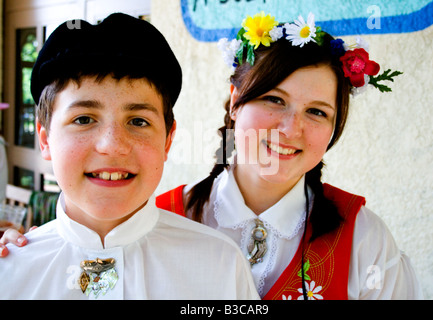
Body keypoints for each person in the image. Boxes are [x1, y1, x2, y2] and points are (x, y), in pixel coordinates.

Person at [1, 11, 422, 300]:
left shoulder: (362, 237)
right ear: (235, 102)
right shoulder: (166, 210)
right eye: (273, 100)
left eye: (317, 112)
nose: (290, 129)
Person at [0, 13, 259, 300]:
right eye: (84, 119)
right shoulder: (10, 272)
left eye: (138, 121)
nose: (112, 146)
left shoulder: (219, 265)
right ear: (45, 138)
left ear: (167, 139)